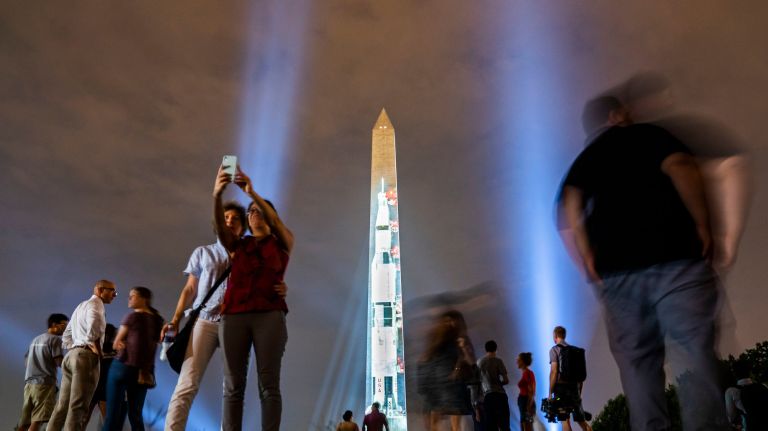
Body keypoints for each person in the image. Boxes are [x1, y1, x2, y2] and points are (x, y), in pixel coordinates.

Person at [558, 96, 730, 430]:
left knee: (638, 366)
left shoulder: (587, 159)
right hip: (677, 260)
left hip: (617, 275)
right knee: (694, 351)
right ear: (617, 115)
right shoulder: (651, 136)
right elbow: (682, 167)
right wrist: (702, 223)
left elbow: (568, 211)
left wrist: (587, 262)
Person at [213, 164, 294, 431]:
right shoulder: (240, 245)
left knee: (268, 384)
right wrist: (216, 196)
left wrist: (252, 193)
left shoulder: (282, 242)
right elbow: (223, 234)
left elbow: (277, 223)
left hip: (269, 315)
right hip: (234, 315)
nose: (252, 213)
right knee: (232, 386)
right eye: (249, 211)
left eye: (258, 210)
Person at [162, 200, 247, 431]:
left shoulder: (248, 256)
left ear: (243, 227)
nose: (229, 222)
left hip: (235, 324)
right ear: (218, 223)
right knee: (188, 383)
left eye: (235, 219)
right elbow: (190, 288)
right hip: (205, 320)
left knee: (231, 387)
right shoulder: (204, 252)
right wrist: (176, 318)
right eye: (225, 218)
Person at [49, 280, 117, 431]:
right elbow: (94, 332)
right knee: (78, 406)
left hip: (72, 355)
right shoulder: (97, 305)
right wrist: (98, 353)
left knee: (62, 405)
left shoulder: (81, 306)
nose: (114, 295)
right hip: (85, 356)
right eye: (112, 291)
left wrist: (74, 348)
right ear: (100, 290)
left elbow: (67, 334)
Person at [102, 287, 164, 431]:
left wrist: (121, 343)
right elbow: (153, 345)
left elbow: (116, 343)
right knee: (135, 415)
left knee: (113, 415)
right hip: (144, 373)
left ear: (144, 299)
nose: (129, 299)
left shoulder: (132, 317)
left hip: (122, 367)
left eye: (133, 296)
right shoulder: (157, 320)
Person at [418, 310, 478, 431]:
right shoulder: (436, 343)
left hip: (452, 391)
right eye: (447, 321)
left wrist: (464, 349)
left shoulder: (461, 342)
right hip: (440, 392)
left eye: (452, 321)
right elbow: (426, 365)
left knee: (454, 425)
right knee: (439, 424)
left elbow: (472, 365)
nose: (450, 324)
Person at [17, 313, 69, 431]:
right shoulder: (55, 340)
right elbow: (59, 362)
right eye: (64, 325)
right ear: (54, 324)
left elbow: (26, 361)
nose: (66, 328)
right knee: (38, 420)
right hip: (44, 384)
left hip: (29, 385)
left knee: (25, 422)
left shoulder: (36, 339)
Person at [548, 327, 590, 431]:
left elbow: (554, 372)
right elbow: (580, 375)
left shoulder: (554, 349)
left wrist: (550, 392)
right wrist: (579, 393)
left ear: (555, 336)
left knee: (565, 420)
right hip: (574, 389)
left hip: (561, 390)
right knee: (582, 421)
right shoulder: (575, 351)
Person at [83, 324, 121, 429]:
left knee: (88, 417)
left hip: (99, 378)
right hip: (102, 379)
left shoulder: (105, 336)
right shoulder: (110, 335)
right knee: (105, 418)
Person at [477, 340, 511, 431]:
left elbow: (477, 381)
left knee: (491, 426)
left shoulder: (479, 362)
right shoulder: (499, 361)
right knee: (504, 425)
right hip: (500, 395)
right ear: (496, 349)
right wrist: (499, 383)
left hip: (488, 396)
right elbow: (506, 380)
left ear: (486, 349)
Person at [725, 359, 768, 430]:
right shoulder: (763, 386)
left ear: (734, 374)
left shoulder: (731, 391)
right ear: (750, 372)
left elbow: (731, 416)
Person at [515, 352, 535, 431]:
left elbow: (531, 390)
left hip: (526, 401)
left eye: (518, 360)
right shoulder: (526, 373)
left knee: (526, 425)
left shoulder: (527, 373)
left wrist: (529, 404)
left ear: (522, 361)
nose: (516, 361)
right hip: (524, 401)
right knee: (525, 424)